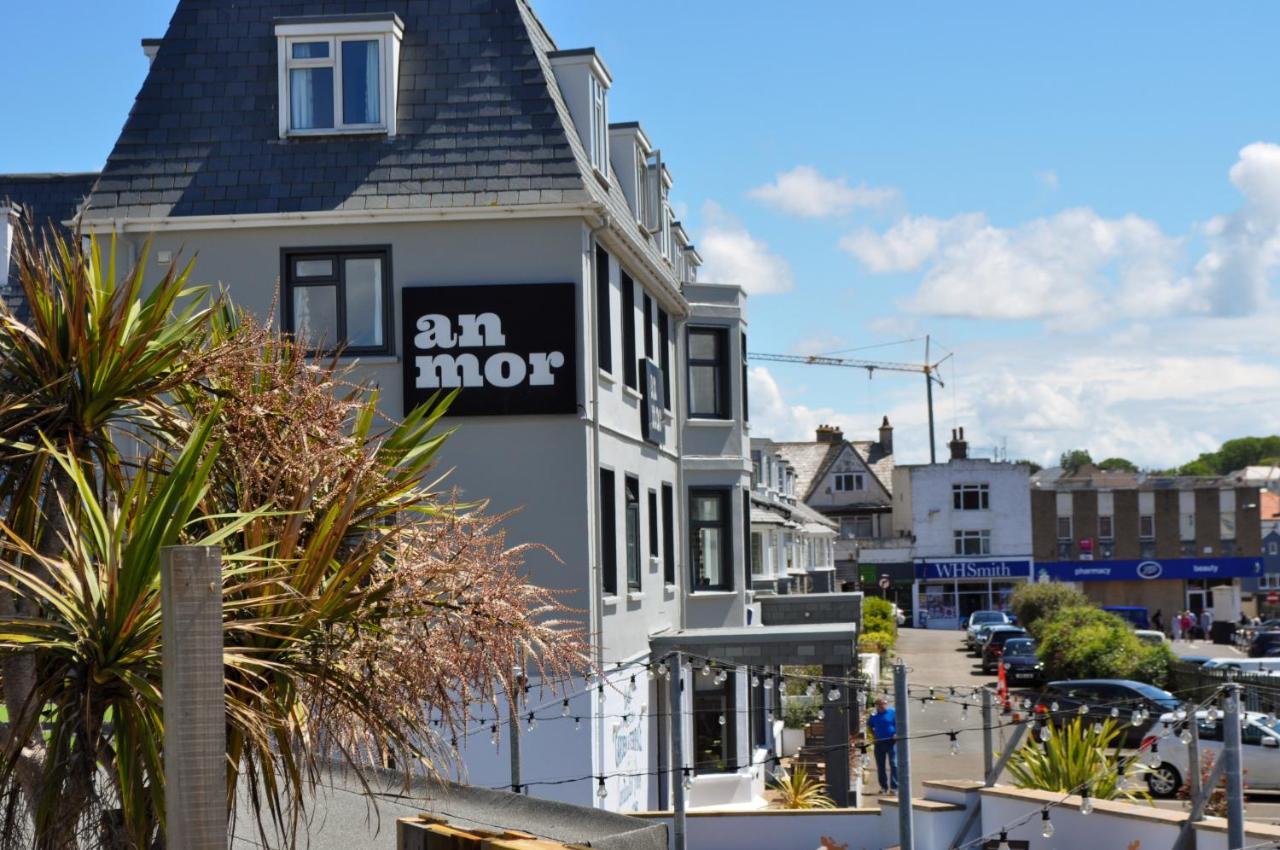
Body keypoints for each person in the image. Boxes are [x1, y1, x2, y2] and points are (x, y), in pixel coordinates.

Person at [867, 696, 898, 795]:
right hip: (879, 743)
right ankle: (883, 787)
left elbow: (900, 724)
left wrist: (896, 734)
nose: (882, 706)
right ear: (876, 706)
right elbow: (869, 727)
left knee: (894, 764)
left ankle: (894, 787)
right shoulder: (874, 715)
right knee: (881, 766)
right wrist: (872, 738)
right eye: (879, 704)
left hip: (891, 742)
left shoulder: (892, 712)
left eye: (884, 703)